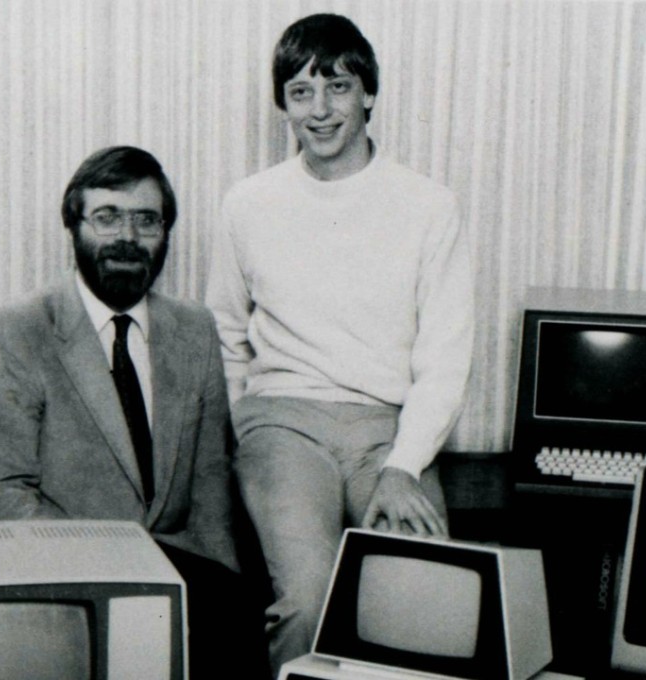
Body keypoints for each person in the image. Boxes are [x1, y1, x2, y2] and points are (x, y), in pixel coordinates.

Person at [205, 13, 475, 676]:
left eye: (338, 88)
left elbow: (446, 354)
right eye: (301, 92)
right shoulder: (248, 203)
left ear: (369, 94)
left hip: (388, 433)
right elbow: (224, 333)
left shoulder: (428, 205)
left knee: (421, 596)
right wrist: (245, 431)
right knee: (310, 599)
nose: (320, 111)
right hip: (282, 423)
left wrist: (404, 464)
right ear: (283, 106)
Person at [0, 145, 269, 679]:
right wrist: (118, 574)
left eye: (146, 220)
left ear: (166, 233)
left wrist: (223, 595)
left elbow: (210, 488)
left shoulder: (194, 330)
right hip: (65, 582)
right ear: (74, 227)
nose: (128, 237)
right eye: (107, 218)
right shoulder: (13, 332)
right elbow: (2, 496)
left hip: (182, 582)